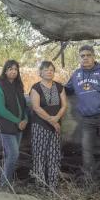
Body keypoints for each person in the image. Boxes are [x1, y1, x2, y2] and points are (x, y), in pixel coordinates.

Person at [64, 45, 100, 197]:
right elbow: (65, 89)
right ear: (79, 58)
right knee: (87, 152)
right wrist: (46, 87)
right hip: (86, 120)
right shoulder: (76, 75)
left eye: (88, 55)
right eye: (82, 55)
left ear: (94, 56)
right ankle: (90, 184)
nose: (85, 58)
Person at [29, 61, 68, 191]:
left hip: (55, 126)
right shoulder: (36, 88)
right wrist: (53, 121)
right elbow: (36, 107)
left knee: (54, 155)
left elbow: (64, 106)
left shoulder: (59, 87)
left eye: (51, 70)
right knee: (39, 155)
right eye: (46, 70)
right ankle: (40, 186)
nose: (49, 72)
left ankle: (53, 185)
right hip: (40, 126)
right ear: (40, 72)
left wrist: (57, 118)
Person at [0, 60, 28, 190]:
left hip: (19, 127)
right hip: (5, 127)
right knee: (13, 154)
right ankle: (3, 185)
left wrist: (25, 119)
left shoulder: (18, 85)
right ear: (5, 70)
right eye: (10, 69)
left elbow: (23, 104)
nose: (13, 71)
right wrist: (17, 121)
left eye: (15, 69)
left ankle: (8, 182)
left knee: (13, 155)